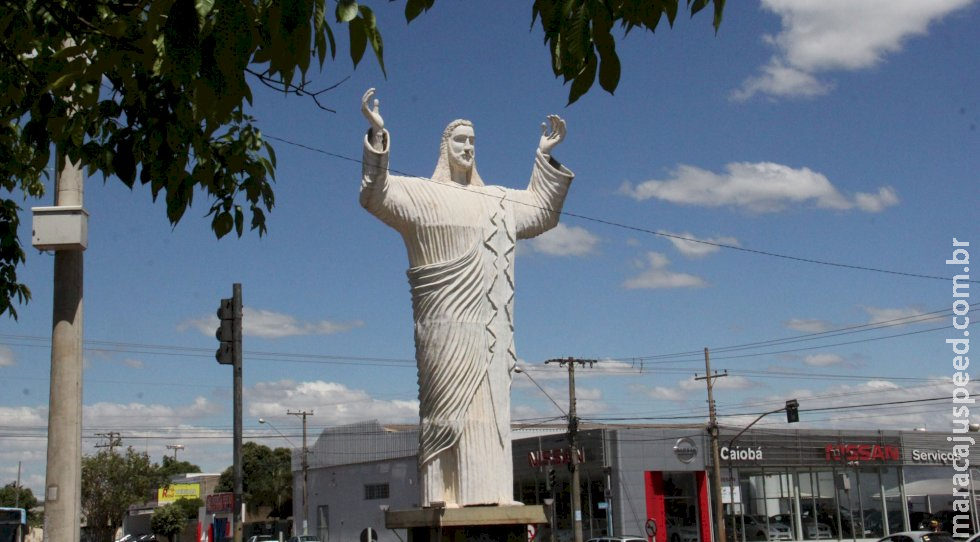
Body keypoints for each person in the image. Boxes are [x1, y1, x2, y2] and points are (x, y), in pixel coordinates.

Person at [359, 88, 575, 507]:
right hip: (441, 326)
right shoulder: (422, 195)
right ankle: (441, 493)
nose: (468, 147)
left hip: (489, 331)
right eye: (460, 140)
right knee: (441, 405)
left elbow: (543, 211)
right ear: (445, 147)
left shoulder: (496, 201)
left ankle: (490, 493)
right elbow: (375, 194)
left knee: (490, 409)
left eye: (473, 141)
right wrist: (378, 136)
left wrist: (544, 156)